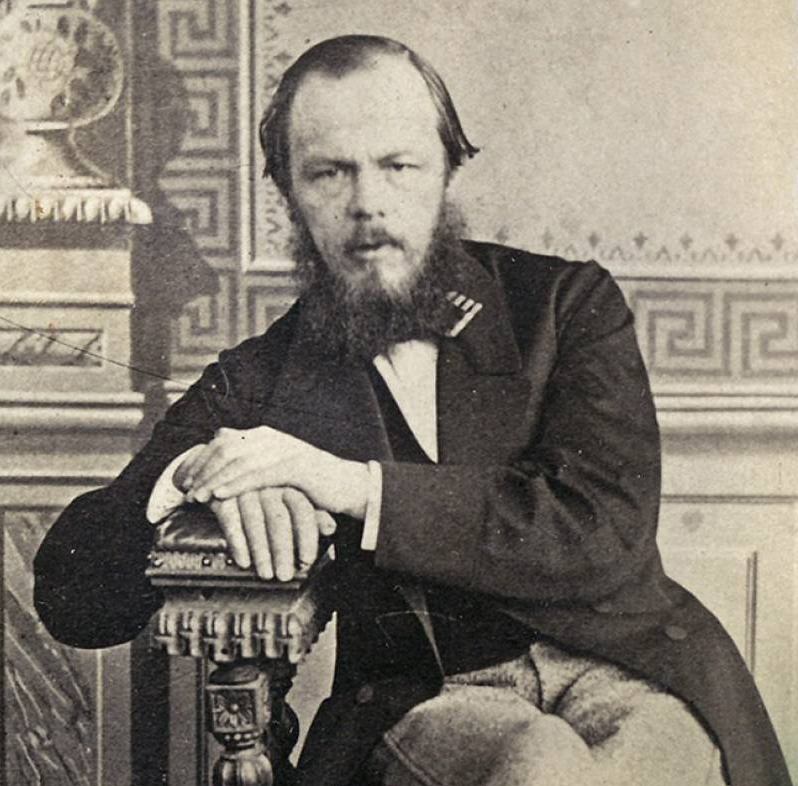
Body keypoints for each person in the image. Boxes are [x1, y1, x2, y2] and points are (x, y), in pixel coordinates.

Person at [34, 35, 791, 786]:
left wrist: (347, 484)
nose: (368, 203)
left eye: (398, 166)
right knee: (542, 767)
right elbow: (75, 601)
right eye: (329, 173)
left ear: (445, 170)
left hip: (627, 668)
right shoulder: (261, 379)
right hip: (431, 698)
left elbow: (603, 532)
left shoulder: (566, 306)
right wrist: (188, 477)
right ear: (289, 193)